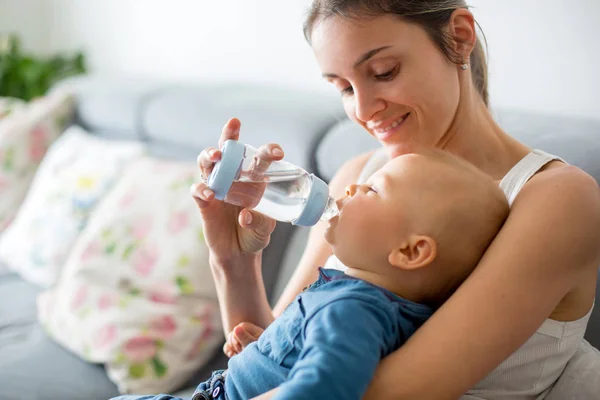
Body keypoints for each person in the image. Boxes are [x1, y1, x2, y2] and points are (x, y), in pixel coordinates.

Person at [192, 1, 600, 399]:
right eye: (344, 87)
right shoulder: (356, 178)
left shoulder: (557, 198)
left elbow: (385, 391)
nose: (364, 109)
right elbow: (269, 362)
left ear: (459, 37)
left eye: (384, 72)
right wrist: (233, 258)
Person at [111, 149, 510, 400]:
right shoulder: (363, 304)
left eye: (372, 190)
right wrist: (271, 347)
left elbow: (323, 387)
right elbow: (307, 360)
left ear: (409, 251)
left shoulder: (351, 309)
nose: (351, 189)